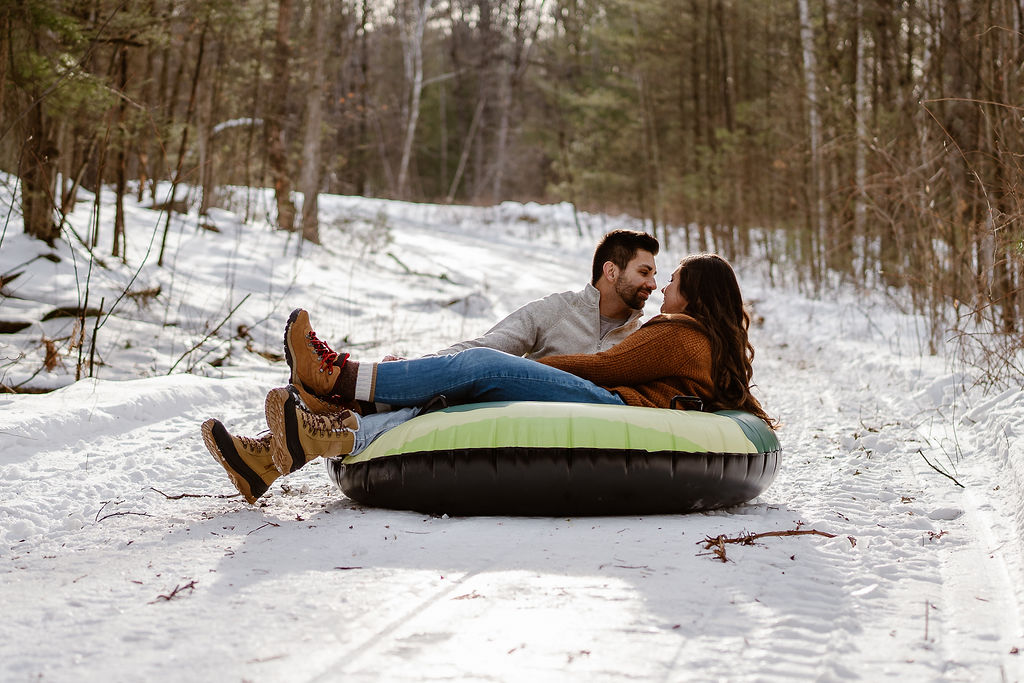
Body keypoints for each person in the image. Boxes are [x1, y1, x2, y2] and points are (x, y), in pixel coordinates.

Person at [202, 254, 773, 503]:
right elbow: (743, 403)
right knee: (461, 384)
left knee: (481, 371)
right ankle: (280, 454)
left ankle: (336, 379)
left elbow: (605, 369)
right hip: (615, 402)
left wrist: (531, 372)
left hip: (608, 402)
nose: (663, 290)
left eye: (672, 280)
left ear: (694, 294)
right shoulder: (704, 343)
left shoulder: (679, 331)